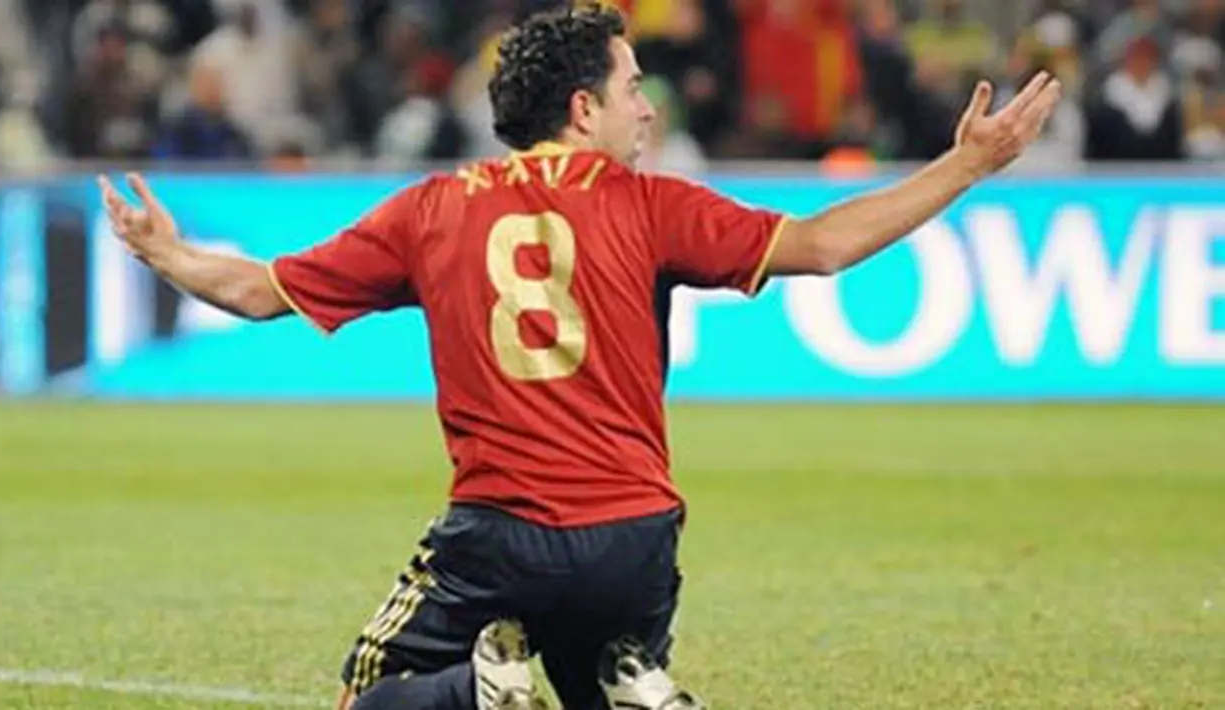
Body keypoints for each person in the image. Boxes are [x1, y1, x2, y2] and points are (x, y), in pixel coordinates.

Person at [98, 6, 1060, 710]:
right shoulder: (653, 206)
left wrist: (168, 252)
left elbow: (261, 292)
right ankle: (638, 689)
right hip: (633, 545)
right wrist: (965, 165)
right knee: (602, 672)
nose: (649, 110)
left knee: (369, 700)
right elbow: (824, 244)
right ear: (582, 107)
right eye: (634, 87)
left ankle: (474, 692)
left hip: (495, 542)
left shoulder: (430, 210)